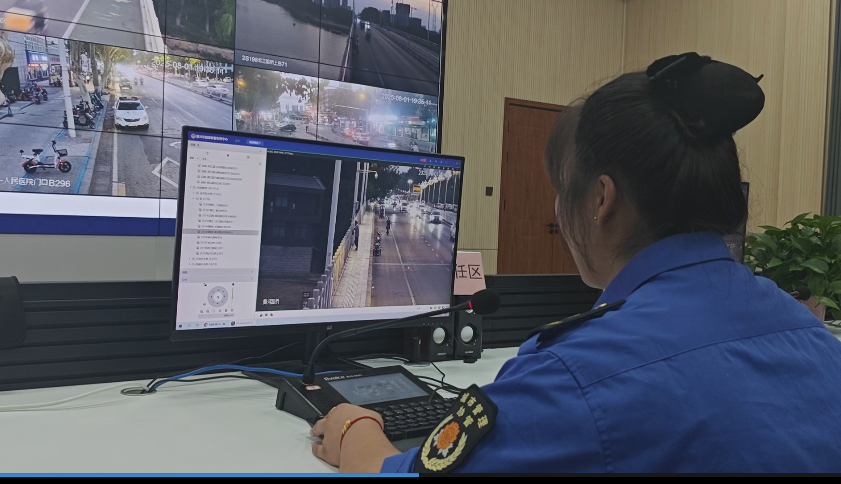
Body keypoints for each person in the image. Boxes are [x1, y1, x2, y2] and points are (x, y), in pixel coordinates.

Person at [308, 53, 841, 473]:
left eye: (563, 189)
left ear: (600, 199)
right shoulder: (813, 337)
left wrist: (356, 429)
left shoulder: (574, 375)